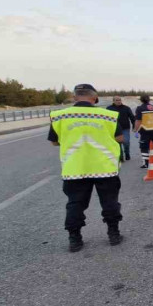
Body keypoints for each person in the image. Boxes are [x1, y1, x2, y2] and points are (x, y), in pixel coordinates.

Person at [48, 84, 124, 252]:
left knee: (75, 203)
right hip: (105, 167)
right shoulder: (108, 115)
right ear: (95, 97)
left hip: (75, 169)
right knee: (109, 201)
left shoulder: (60, 116)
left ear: (74, 97)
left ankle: (74, 239)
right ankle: (113, 233)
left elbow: (54, 141)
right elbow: (119, 138)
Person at [133, 95, 153, 168]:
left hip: (146, 130)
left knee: (144, 146)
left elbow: (138, 120)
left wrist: (135, 130)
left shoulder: (140, 108)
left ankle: (146, 163)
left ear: (141, 100)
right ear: (149, 100)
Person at [106, 96, 135, 162]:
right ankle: (121, 157)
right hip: (114, 129)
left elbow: (132, 117)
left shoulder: (126, 108)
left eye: (119, 100)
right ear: (113, 101)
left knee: (126, 142)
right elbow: (106, 119)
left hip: (125, 128)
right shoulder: (109, 108)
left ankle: (127, 153)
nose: (118, 101)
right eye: (117, 100)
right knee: (118, 143)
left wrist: (134, 126)